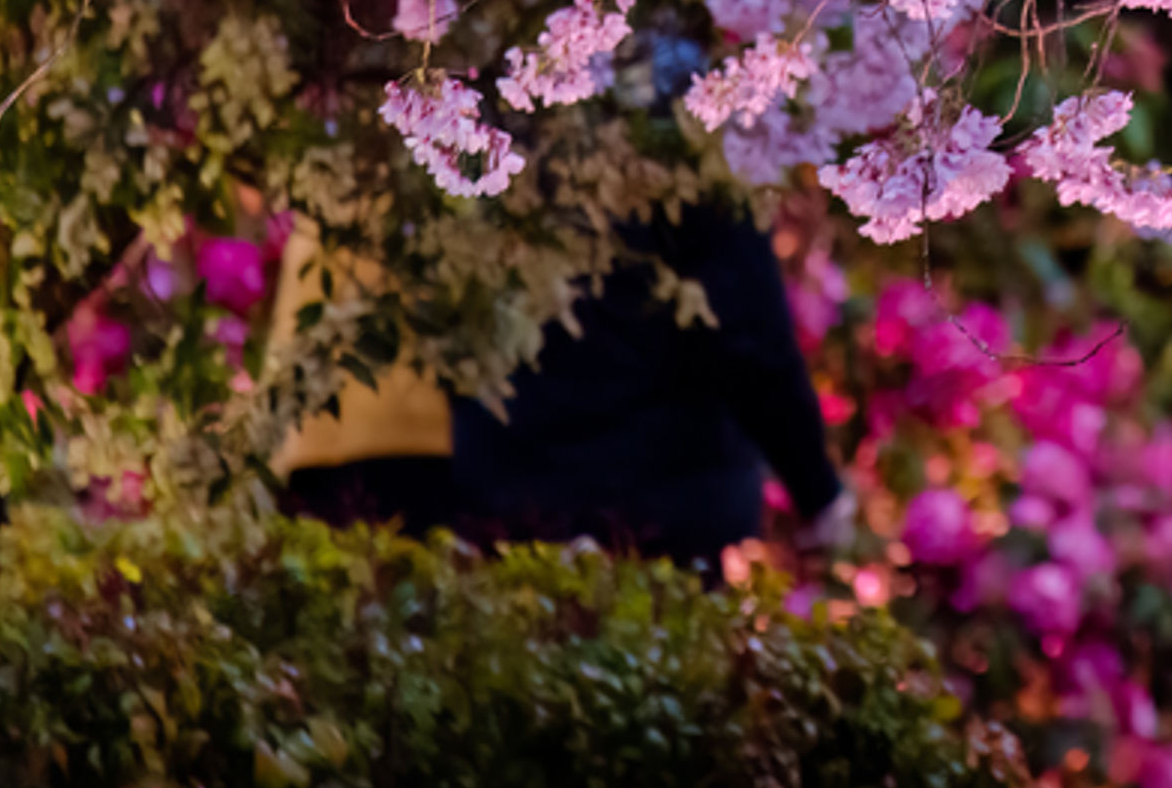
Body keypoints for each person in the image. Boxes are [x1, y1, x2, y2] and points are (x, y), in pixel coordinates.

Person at [280, 193, 839, 572]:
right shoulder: (672, 115)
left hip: (467, 463)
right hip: (632, 494)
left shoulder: (480, 94)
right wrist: (819, 491)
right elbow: (748, 333)